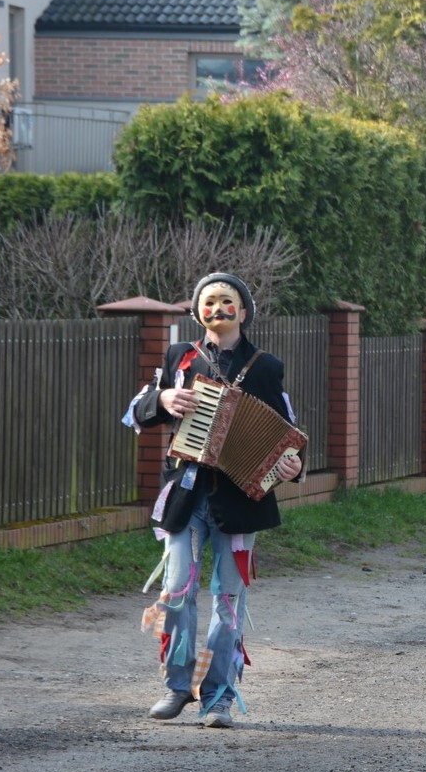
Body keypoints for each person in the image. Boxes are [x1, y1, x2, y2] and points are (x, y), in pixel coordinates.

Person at [128, 272, 304, 728]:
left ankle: (219, 697)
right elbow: (135, 412)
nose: (218, 309)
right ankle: (176, 687)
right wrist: (164, 398)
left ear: (243, 312)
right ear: (196, 310)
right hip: (185, 499)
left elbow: (289, 439)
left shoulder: (266, 367)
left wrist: (293, 467)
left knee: (229, 599)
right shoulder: (179, 358)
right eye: (209, 302)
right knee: (178, 589)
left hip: (238, 504)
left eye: (227, 301)